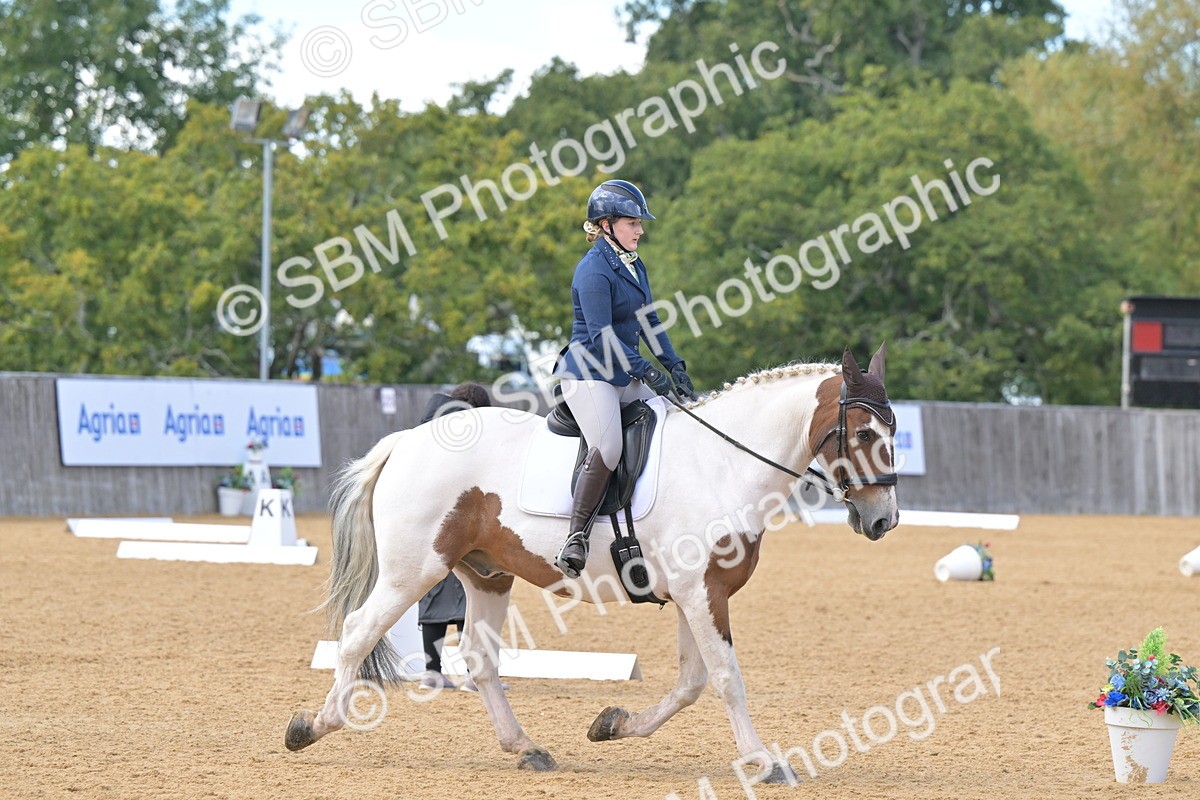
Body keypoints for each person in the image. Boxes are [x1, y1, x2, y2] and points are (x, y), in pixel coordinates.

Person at [553, 179, 698, 579]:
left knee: (674, 416)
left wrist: (674, 364)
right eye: (633, 222)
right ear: (606, 224)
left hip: (622, 371)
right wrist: (646, 370)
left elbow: (649, 321)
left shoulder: (633, 263)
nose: (640, 229)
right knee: (610, 446)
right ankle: (576, 538)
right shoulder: (593, 270)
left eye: (639, 223)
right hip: (589, 375)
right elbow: (602, 338)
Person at [416, 382, 490, 690]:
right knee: (467, 593)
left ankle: (432, 671)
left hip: (423, 518)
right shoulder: (467, 429)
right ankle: (472, 674)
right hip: (457, 519)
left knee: (433, 592)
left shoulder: (426, 428)